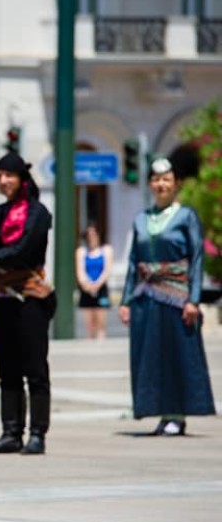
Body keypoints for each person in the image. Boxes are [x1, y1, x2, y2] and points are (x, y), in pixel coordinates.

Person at [118, 157, 215, 436]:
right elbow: (133, 263)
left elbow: (196, 259)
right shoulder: (141, 219)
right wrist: (125, 301)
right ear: (150, 183)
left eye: (167, 180)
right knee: (151, 356)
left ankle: (177, 413)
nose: (161, 184)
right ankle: (160, 411)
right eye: (157, 179)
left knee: (177, 354)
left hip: (176, 295)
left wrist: (193, 299)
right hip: (146, 295)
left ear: (176, 184)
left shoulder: (186, 216)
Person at [0, 152, 54, 455]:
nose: (3, 181)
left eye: (9, 175)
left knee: (35, 368)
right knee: (8, 368)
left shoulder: (38, 213)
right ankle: (10, 432)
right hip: (2, 299)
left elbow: (23, 250)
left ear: (22, 178)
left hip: (30, 297)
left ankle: (38, 434)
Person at [75, 221, 113, 340]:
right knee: (89, 324)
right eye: (89, 234)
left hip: (101, 288)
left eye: (94, 234)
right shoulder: (81, 251)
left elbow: (107, 270)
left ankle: (101, 346)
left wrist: (97, 284)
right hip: (87, 288)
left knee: (101, 323)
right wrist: (87, 284)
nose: (91, 237)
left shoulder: (106, 250)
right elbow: (80, 270)